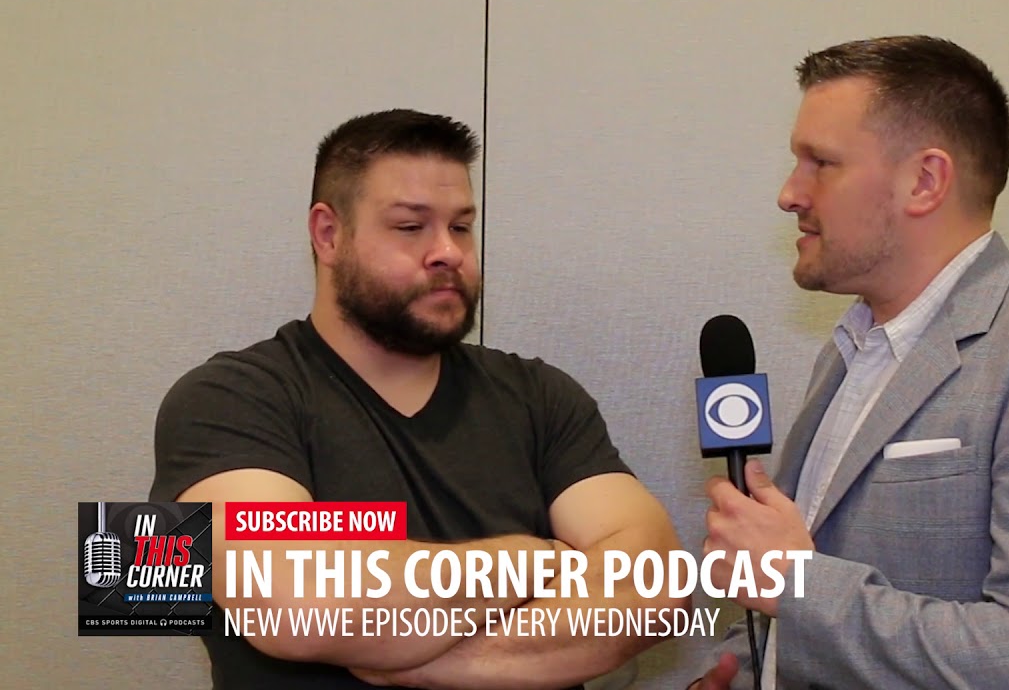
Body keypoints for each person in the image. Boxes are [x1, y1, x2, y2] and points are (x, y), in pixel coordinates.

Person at [149, 109, 688, 689]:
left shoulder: (541, 397)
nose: (448, 252)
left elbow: (657, 586)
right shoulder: (227, 401)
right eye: (411, 227)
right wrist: (543, 559)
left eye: (461, 226)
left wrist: (422, 661)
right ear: (328, 234)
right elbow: (299, 604)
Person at [694, 36, 1009, 689]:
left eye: (821, 163)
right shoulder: (847, 352)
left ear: (924, 181)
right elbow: (795, 594)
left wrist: (794, 585)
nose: (790, 194)